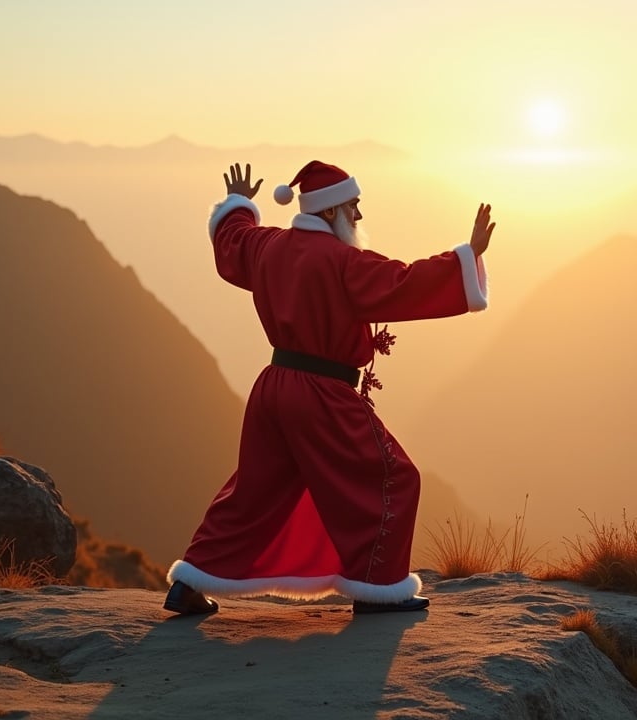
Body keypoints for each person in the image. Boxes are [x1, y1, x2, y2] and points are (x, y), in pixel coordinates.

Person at [163, 160, 493, 615]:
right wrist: (466, 256)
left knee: (255, 491)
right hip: (322, 394)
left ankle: (191, 582)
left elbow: (232, 240)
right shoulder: (343, 262)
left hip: (273, 389)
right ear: (332, 211)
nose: (358, 217)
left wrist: (239, 205)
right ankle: (378, 588)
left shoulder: (268, 246)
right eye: (353, 207)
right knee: (393, 477)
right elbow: (405, 282)